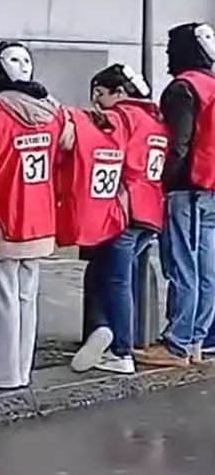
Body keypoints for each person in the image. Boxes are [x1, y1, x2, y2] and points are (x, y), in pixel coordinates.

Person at [0, 41, 69, 390]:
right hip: (38, 216)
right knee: (26, 299)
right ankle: (20, 369)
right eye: (17, 59)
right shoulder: (54, 113)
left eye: (24, 58)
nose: (22, 64)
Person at [71, 64, 164, 375]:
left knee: (115, 280)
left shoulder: (121, 116)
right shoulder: (155, 120)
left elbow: (103, 146)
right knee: (104, 273)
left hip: (125, 209)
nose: (98, 102)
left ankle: (120, 349)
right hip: (150, 212)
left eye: (101, 94)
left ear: (120, 93)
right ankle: (102, 331)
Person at [141, 24, 215, 367]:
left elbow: (178, 145)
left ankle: (177, 344)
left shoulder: (183, 88)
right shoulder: (212, 85)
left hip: (188, 188)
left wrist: (162, 182)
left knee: (182, 264)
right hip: (212, 187)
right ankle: (199, 340)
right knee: (206, 267)